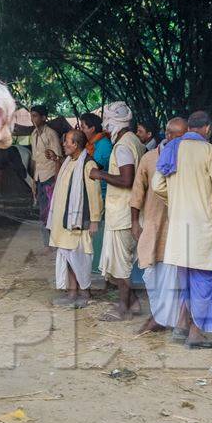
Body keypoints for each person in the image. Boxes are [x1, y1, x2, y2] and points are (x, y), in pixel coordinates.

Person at [152, 112, 212, 348]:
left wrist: (176, 198)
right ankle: (196, 334)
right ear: (207, 129)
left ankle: (181, 327)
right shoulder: (210, 152)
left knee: (186, 280)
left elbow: (158, 186)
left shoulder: (172, 149)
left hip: (179, 228)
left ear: (189, 127)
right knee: (204, 282)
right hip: (202, 229)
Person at [90, 102, 145, 321]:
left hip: (122, 212)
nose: (104, 125)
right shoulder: (134, 141)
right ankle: (133, 303)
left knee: (121, 264)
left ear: (114, 122)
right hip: (126, 210)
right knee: (120, 263)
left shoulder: (123, 146)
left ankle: (124, 308)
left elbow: (127, 179)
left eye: (106, 121)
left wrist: (99, 174)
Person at [131, 117, 186, 333]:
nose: (182, 141)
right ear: (168, 134)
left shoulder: (188, 160)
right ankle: (160, 316)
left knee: (174, 274)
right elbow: (137, 192)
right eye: (179, 136)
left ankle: (167, 319)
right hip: (153, 225)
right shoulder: (149, 159)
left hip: (178, 228)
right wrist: (135, 222)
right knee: (152, 272)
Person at [48, 130, 102, 307]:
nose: (63, 144)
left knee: (80, 258)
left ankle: (84, 294)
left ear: (76, 145)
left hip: (78, 223)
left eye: (67, 142)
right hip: (64, 223)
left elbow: (94, 195)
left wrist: (94, 220)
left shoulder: (88, 164)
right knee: (69, 257)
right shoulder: (69, 163)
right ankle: (72, 293)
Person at [79, 112, 112, 275]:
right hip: (95, 191)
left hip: (103, 193)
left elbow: (95, 167)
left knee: (98, 229)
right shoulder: (92, 144)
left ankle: (99, 264)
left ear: (92, 128)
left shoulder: (103, 144)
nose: (82, 129)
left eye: (84, 127)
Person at [30, 104, 62, 247]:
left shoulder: (51, 134)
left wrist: (56, 180)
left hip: (50, 177)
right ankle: (46, 243)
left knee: (52, 211)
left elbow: (58, 158)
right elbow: (35, 160)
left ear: (44, 117)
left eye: (35, 115)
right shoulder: (33, 134)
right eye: (32, 115)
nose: (32, 119)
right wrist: (33, 180)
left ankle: (55, 242)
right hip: (39, 177)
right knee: (43, 211)